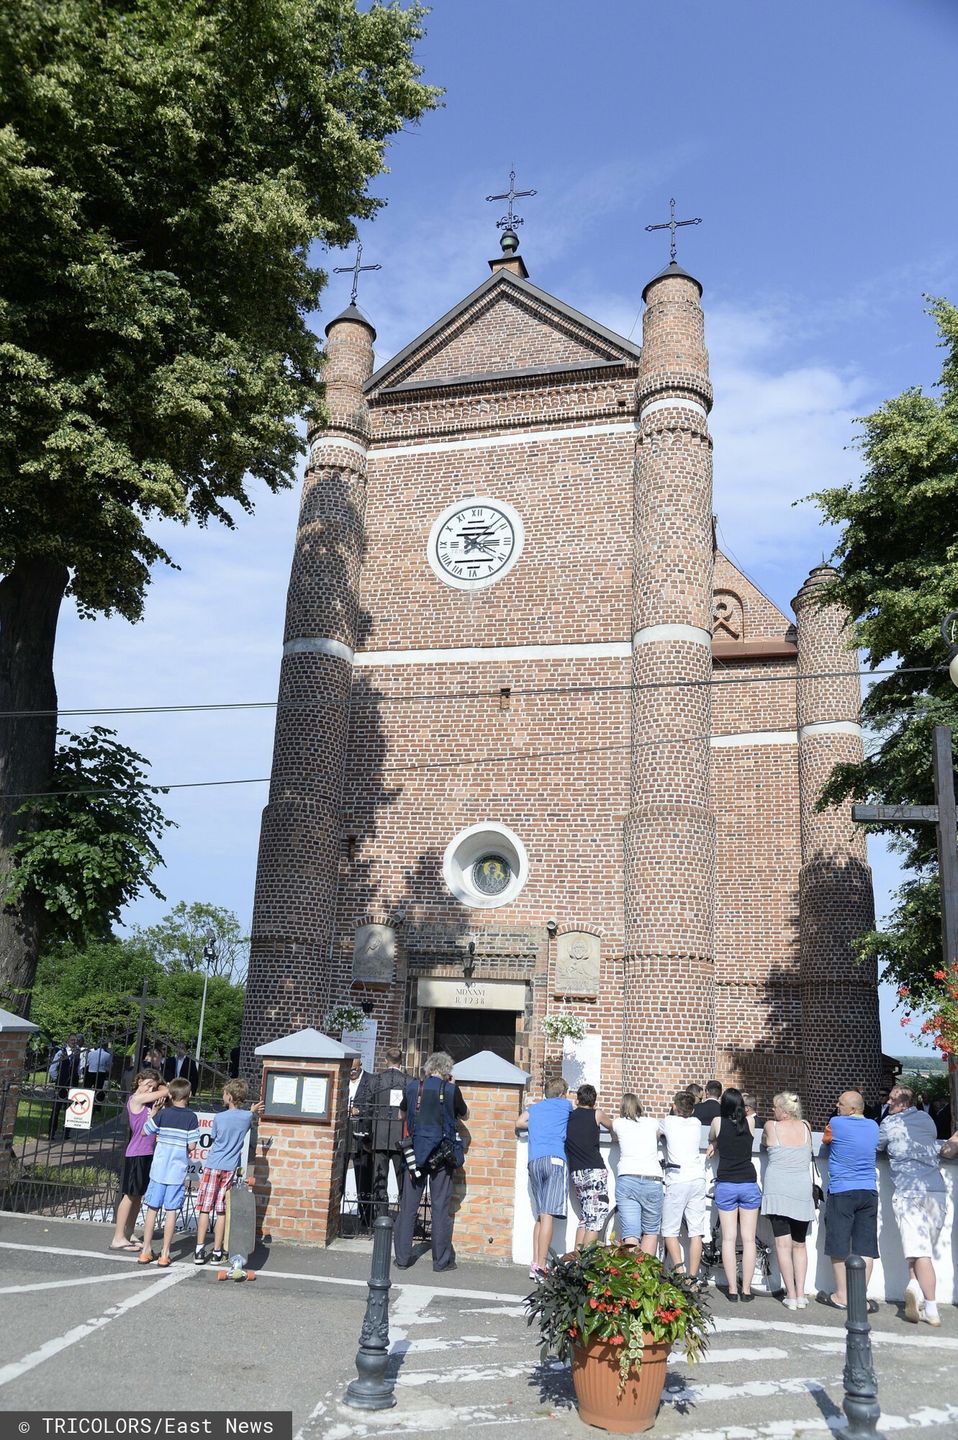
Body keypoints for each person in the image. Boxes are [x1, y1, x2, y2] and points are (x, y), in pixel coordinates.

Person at [878, 1084, 947, 1326]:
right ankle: (915, 1288)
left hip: (909, 1192)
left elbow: (877, 1146)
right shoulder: (927, 1119)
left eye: (891, 1100)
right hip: (937, 1190)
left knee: (921, 1252)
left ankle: (931, 1307)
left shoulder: (888, 1124)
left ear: (903, 1104)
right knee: (918, 1249)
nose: (888, 1103)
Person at [394, 1051, 467, 1273]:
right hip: (442, 1155)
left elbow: (401, 1116)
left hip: (415, 1153)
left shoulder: (414, 1087)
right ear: (446, 1071)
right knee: (439, 1207)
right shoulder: (451, 1089)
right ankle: (441, 1261)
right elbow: (465, 1115)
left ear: (428, 1068)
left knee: (408, 1206)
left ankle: (403, 1258)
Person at [817, 1089, 880, 1312]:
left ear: (852, 1109)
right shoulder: (874, 1126)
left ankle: (842, 1295)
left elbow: (825, 1141)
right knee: (866, 1246)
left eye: (841, 1103)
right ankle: (860, 1297)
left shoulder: (836, 1123)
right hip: (869, 1191)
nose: (837, 1105)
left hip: (842, 1189)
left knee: (839, 1243)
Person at [194, 1078, 264, 1274]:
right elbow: (248, 1118)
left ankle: (199, 1249)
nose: (223, 1096)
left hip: (214, 1165)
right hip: (230, 1168)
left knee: (204, 1208)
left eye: (225, 1093)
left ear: (230, 1096)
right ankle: (217, 1251)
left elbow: (215, 1138)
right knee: (221, 1210)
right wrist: (251, 1111)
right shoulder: (246, 1118)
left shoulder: (220, 1118)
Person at [760, 1091, 815, 1310]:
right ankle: (801, 1294)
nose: (773, 1111)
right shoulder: (806, 1127)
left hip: (778, 1191)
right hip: (801, 1190)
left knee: (783, 1245)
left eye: (775, 1107)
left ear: (783, 1111)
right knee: (799, 1244)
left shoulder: (771, 1127)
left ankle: (790, 1295)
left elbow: (765, 1144)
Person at [137, 1077, 200, 1266]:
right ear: (189, 1095)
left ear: (170, 1095)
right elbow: (192, 1145)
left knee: (152, 1209)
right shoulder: (191, 1118)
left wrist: (154, 1112)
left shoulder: (163, 1115)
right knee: (171, 1211)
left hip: (158, 1170)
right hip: (176, 1172)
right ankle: (165, 1253)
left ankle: (146, 1250)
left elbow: (144, 1132)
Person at [707, 1086, 760, 1302]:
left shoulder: (717, 1122)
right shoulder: (751, 1122)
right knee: (748, 1240)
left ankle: (731, 1289)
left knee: (728, 1239)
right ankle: (746, 1289)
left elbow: (712, 1137)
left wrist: (715, 1143)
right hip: (748, 1182)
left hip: (726, 1183)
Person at [518, 1077, 573, 1278]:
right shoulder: (565, 1106)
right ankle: (542, 1267)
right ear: (561, 1093)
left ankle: (535, 1264)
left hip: (534, 1160)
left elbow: (519, 1121)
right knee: (549, 1214)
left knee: (540, 1215)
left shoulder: (535, 1108)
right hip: (555, 1160)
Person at [110, 1069, 168, 1250]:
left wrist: (157, 1109)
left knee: (137, 1196)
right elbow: (167, 1090)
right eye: (148, 1085)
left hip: (147, 1153)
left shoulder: (151, 1105)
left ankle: (128, 1231)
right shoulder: (135, 1099)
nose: (151, 1090)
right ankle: (118, 1237)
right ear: (139, 1081)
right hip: (136, 1153)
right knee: (129, 1196)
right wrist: (160, 1088)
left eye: (153, 1086)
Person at [659, 1090, 708, 1278]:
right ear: (692, 1109)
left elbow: (657, 1132)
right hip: (697, 1177)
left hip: (678, 1178)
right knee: (696, 1231)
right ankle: (693, 1277)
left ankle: (680, 1272)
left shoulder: (668, 1121)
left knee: (670, 1230)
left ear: (674, 1107)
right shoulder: (696, 1123)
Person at [612, 1092, 664, 1254]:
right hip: (652, 1179)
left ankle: (631, 1276)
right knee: (650, 1231)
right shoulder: (653, 1122)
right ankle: (646, 1276)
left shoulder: (618, 1123)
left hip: (627, 1179)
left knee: (631, 1233)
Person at [565, 1084, 613, 1248]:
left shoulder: (569, 1116)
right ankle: (584, 1266)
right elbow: (614, 1127)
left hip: (576, 1172)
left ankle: (575, 1262)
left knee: (585, 1217)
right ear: (594, 1100)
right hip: (594, 1171)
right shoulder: (597, 1114)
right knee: (595, 1220)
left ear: (578, 1099)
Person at [370, 1044, 409, 1216]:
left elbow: (368, 1108)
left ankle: (380, 1216)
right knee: (403, 1180)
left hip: (380, 1135)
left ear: (386, 1061)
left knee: (380, 1179)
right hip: (401, 1136)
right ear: (401, 1061)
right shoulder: (410, 1081)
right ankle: (406, 1217)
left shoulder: (376, 1080)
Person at [346, 1057, 375, 1230]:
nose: (351, 1073)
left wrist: (360, 1110)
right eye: (349, 1070)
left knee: (363, 1176)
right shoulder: (342, 1079)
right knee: (339, 1176)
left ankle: (366, 1217)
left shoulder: (371, 1080)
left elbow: (375, 1107)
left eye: (354, 1070)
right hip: (344, 1132)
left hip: (362, 1134)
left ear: (360, 1066)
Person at [47, 1035, 83, 1139]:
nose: (74, 1042)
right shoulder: (61, 1052)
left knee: (70, 1109)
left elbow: (79, 1068)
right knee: (56, 1108)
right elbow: (53, 1068)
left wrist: (78, 1078)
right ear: (68, 1041)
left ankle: (66, 1133)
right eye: (72, 1040)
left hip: (73, 1084)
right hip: (61, 1083)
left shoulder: (78, 1053)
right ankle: (51, 1132)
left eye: (75, 1040)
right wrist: (57, 1079)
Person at [85, 1039, 113, 1106]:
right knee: (99, 1089)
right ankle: (97, 1105)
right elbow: (109, 1066)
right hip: (101, 1073)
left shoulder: (90, 1053)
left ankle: (87, 1102)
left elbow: (87, 1062)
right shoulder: (107, 1055)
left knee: (88, 1088)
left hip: (90, 1072)